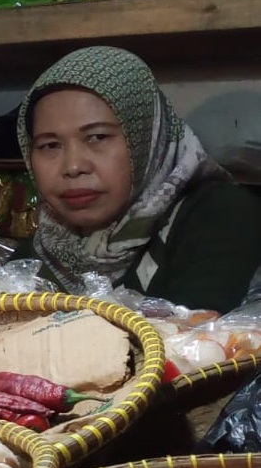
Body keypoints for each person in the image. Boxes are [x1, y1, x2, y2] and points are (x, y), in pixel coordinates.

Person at [16, 45, 261, 313]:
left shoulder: (219, 214)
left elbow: (194, 343)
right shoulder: (49, 243)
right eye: (50, 145)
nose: (73, 166)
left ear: (146, 140)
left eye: (98, 137)